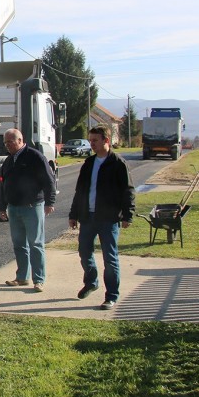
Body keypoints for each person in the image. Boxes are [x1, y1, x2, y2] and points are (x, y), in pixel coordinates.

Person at [68, 126, 136, 310]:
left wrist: (128, 215)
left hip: (108, 218)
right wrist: (73, 214)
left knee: (110, 258)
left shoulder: (118, 163)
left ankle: (111, 296)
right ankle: (92, 281)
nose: (92, 144)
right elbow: (80, 191)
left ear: (106, 141)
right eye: (90, 140)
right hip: (87, 217)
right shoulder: (89, 163)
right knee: (84, 253)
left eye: (95, 140)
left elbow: (128, 191)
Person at [0, 128, 56, 292]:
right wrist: (2, 206)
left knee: (35, 243)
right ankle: (22, 277)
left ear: (20, 140)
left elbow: (49, 180)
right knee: (19, 244)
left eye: (10, 142)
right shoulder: (8, 161)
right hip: (14, 208)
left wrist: (50, 202)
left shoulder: (35, 156)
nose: (8, 145)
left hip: (32, 207)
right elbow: (4, 185)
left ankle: (39, 279)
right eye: (6, 142)